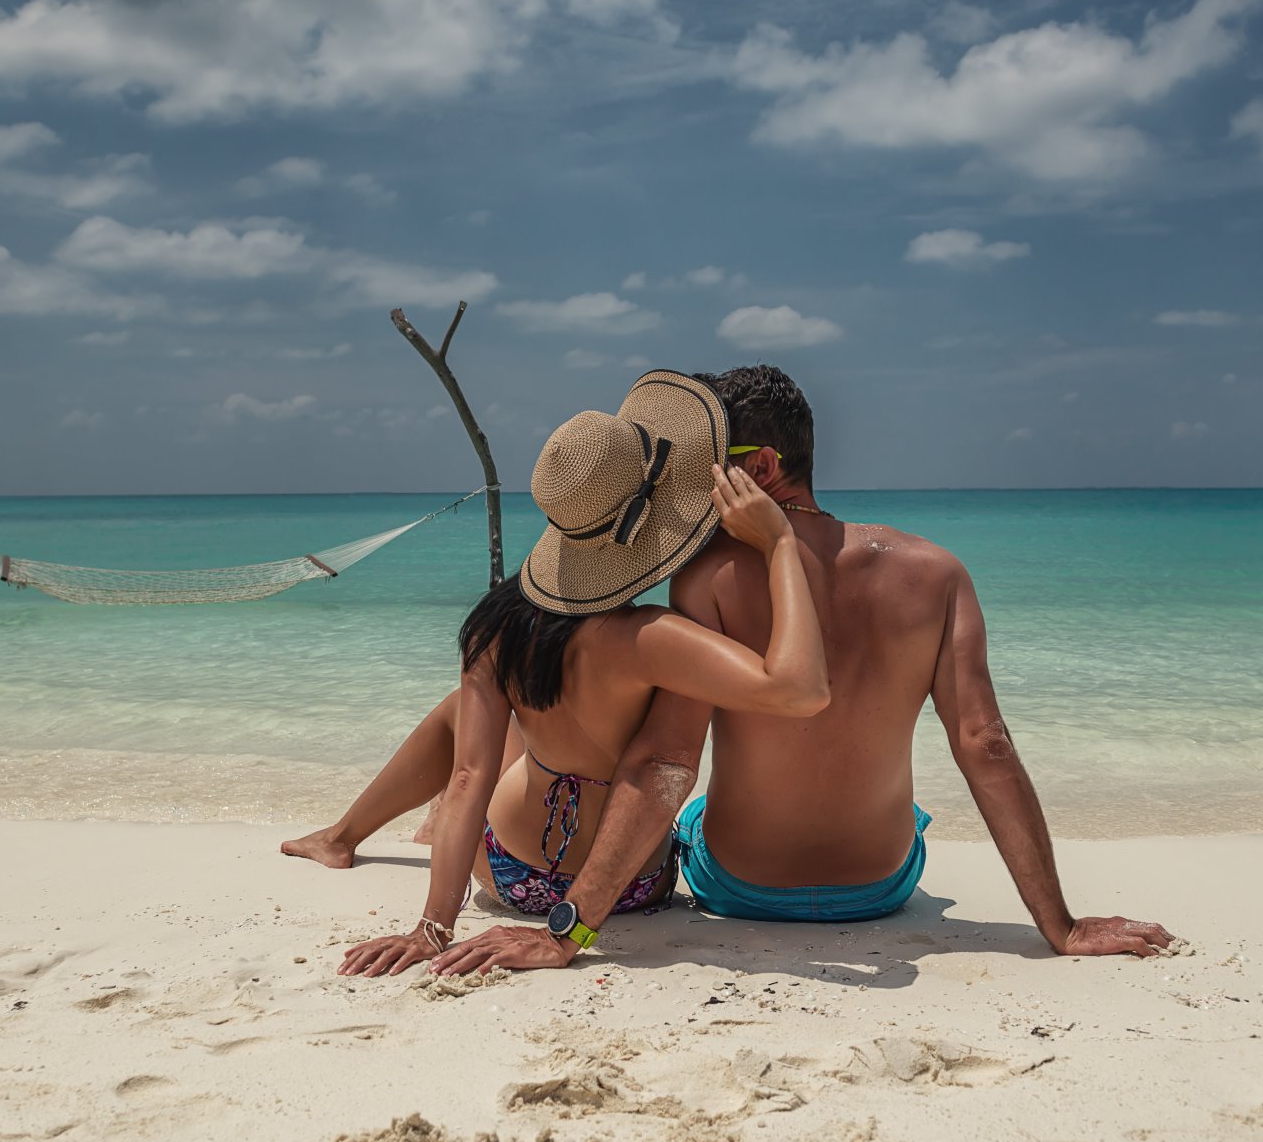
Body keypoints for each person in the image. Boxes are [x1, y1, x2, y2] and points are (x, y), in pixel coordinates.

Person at [433, 365, 1175, 974]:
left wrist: (570, 932)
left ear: (759, 468)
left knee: (674, 804)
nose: (689, 497)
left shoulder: (708, 581)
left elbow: (667, 762)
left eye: (705, 472)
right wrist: (1061, 924)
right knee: (909, 813)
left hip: (740, 885)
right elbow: (985, 744)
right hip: (882, 885)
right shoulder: (938, 572)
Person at [308, 370, 831, 978]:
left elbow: (468, 780)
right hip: (629, 891)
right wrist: (780, 547)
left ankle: (348, 836)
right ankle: (352, 833)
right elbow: (799, 688)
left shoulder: (494, 628)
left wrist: (433, 930)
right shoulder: (652, 638)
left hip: (504, 872)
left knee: (473, 733)